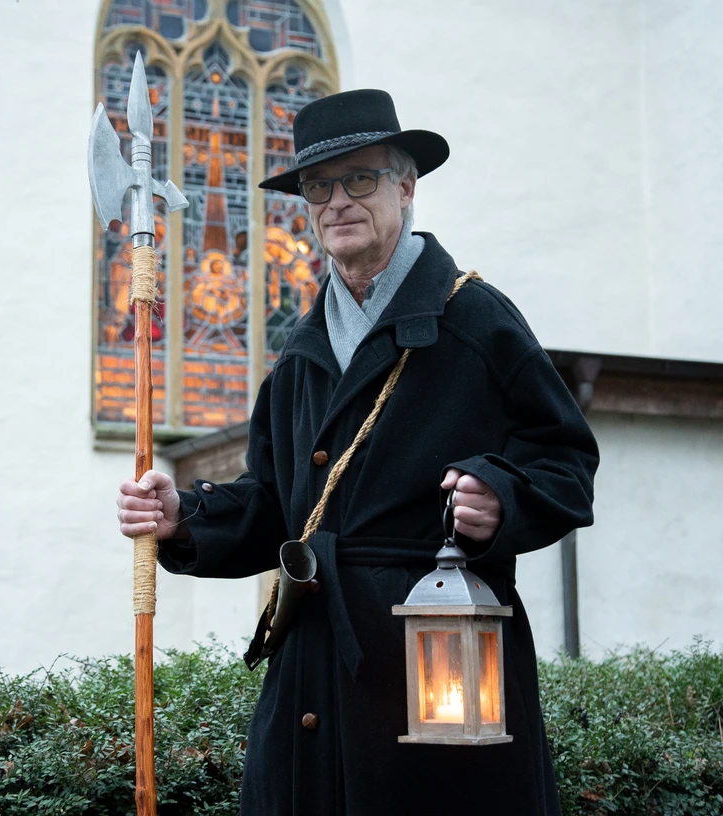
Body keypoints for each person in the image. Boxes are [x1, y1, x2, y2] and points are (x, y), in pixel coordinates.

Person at [116, 89, 598, 816]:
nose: (338, 201)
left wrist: (500, 496)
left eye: (360, 179)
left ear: (407, 187)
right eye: (319, 186)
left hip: (442, 674)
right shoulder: (300, 350)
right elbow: (274, 505)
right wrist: (183, 514)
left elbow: (566, 464)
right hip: (311, 671)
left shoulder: (476, 320)